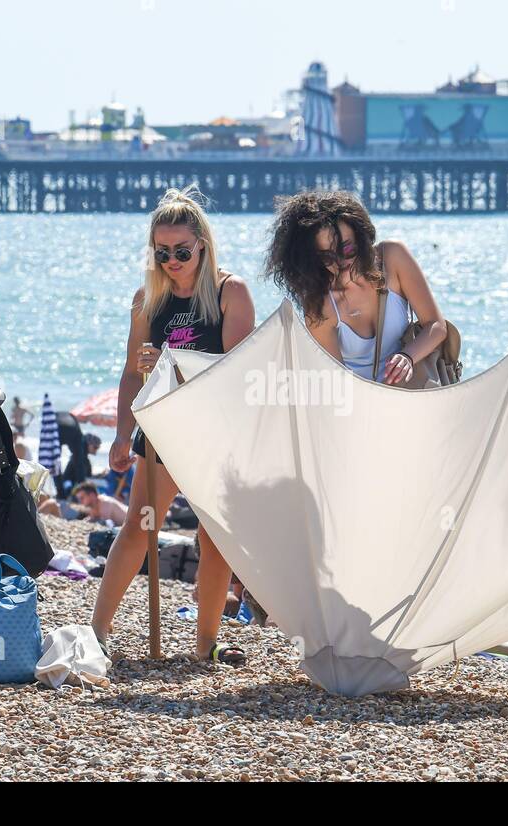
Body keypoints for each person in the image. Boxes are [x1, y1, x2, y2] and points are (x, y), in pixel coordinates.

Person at [90, 186, 256, 665]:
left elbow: (237, 371)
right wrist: (122, 433)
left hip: (216, 432)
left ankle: (205, 643)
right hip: (163, 429)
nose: (172, 261)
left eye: (181, 251)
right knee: (139, 527)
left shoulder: (231, 291)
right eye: (162, 252)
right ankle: (98, 632)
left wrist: (171, 362)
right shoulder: (148, 299)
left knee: (215, 537)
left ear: (202, 243)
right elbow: (129, 373)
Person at [264, 189, 446, 385]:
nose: (341, 262)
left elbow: (436, 325)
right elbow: (337, 380)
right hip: (357, 400)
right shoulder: (319, 305)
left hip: (411, 387)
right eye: (327, 256)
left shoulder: (393, 256)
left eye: (347, 249)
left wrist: (407, 357)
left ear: (362, 237)